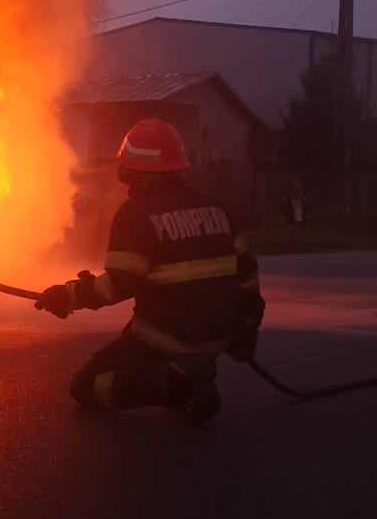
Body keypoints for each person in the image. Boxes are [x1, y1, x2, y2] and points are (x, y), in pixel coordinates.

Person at [35, 118, 264, 423]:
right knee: (135, 334)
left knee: (87, 385)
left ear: (132, 169)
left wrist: (67, 297)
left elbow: (120, 285)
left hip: (168, 338)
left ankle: (176, 386)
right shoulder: (215, 207)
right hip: (220, 336)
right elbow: (247, 273)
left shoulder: (135, 215)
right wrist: (246, 329)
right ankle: (191, 370)